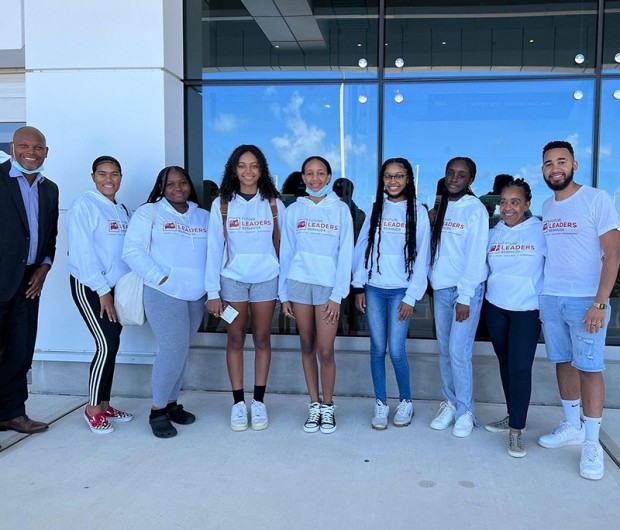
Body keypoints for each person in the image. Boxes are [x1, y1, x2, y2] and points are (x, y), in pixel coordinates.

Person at [536, 140, 620, 480]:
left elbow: (613, 254)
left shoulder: (596, 199)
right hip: (551, 297)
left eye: (561, 161)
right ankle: (572, 425)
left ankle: (591, 442)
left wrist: (600, 302)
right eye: (548, 163)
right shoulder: (547, 206)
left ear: (574, 165)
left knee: (590, 368)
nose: (555, 168)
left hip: (586, 300)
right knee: (563, 362)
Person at [123, 166, 209, 438]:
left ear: (189, 185)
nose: (177, 188)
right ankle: (157, 410)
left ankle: (172, 404)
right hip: (164, 293)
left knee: (180, 350)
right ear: (161, 187)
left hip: (196, 296)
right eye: (170, 184)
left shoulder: (203, 216)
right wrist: (160, 279)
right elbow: (132, 251)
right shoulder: (149, 213)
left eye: (182, 182)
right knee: (172, 350)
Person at [206, 145, 284, 432]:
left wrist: (284, 290)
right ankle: (238, 403)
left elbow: (284, 248)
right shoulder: (222, 204)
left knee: (262, 338)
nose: (248, 171)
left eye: (254, 165)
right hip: (232, 279)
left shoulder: (274, 204)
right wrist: (212, 292)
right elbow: (214, 249)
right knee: (236, 339)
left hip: (266, 278)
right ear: (234, 169)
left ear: (262, 170)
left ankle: (259, 401)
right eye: (242, 165)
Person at [352, 158, 430, 430]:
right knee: (377, 349)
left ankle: (406, 401)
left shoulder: (418, 212)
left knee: (396, 350)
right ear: (382, 180)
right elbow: (362, 247)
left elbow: (423, 256)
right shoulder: (376, 209)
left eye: (399, 176)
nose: (393, 181)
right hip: (374, 288)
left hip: (401, 291)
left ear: (408, 179)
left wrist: (411, 296)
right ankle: (381, 403)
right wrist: (359, 285)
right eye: (388, 176)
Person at [279, 155, 354, 434]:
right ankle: (314, 404)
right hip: (299, 284)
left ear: (329, 176)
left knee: (325, 349)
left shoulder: (340, 210)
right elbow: (286, 253)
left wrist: (338, 294)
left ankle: (328, 405)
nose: (315, 178)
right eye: (309, 173)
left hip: (328, 288)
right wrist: (283, 294)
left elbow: (346, 254)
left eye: (320, 173)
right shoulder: (293, 211)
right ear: (303, 178)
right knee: (307, 345)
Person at [67, 156, 133, 434]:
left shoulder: (121, 209)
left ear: (121, 177)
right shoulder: (84, 205)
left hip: (116, 288)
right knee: (106, 344)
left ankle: (105, 405)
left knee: (113, 345)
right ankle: (92, 409)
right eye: (102, 173)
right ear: (93, 176)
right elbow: (81, 253)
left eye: (114, 174)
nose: (109, 179)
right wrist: (102, 290)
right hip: (91, 286)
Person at [0, 126, 58, 434]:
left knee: (20, 349)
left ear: (46, 152)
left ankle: (12, 413)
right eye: (24, 146)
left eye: (38, 147)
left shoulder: (50, 189)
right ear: (12, 147)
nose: (31, 152)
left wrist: (44, 267)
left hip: (29, 281)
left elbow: (50, 236)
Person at [483, 178, 546, 457]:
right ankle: (513, 414)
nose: (508, 208)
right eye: (504, 202)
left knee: (520, 368)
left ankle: (517, 431)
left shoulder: (540, 231)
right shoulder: (492, 233)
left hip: (527, 310)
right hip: (496, 307)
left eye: (515, 202)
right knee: (506, 364)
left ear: (527, 204)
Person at [428, 157, 488, 438]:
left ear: (470, 180)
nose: (454, 179)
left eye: (461, 175)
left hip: (466, 292)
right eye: (450, 173)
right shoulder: (440, 208)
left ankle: (466, 412)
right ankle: (451, 404)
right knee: (444, 350)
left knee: (458, 352)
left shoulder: (475, 209)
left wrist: (466, 295)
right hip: (442, 288)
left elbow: (476, 256)